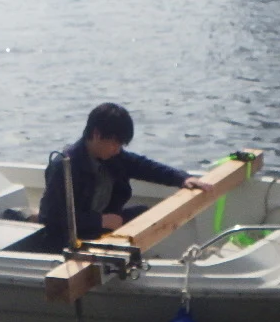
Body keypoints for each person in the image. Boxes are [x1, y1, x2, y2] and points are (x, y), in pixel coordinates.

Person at [38, 102, 211, 250]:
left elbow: (146, 167)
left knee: (144, 215)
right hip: (72, 237)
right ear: (97, 135)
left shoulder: (114, 157)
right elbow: (51, 217)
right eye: (115, 143)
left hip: (106, 224)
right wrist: (99, 220)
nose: (118, 149)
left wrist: (182, 178)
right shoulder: (64, 166)